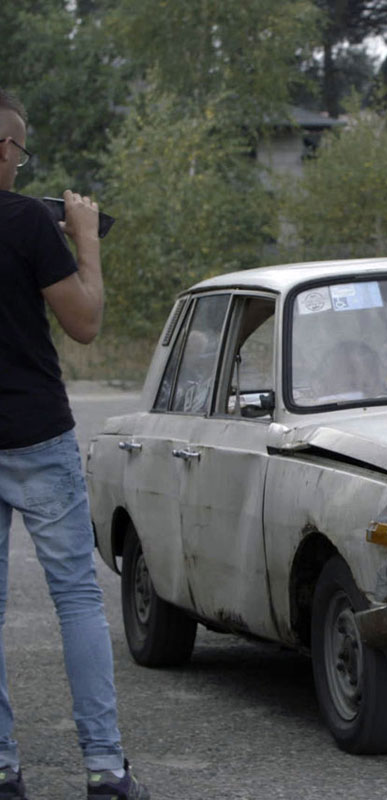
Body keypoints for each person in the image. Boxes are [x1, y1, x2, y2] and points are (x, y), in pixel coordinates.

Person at [0, 89, 148, 798]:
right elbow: (85, 323)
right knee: (78, 602)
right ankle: (104, 769)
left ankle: (3, 771)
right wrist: (84, 236)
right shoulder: (30, 219)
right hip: (35, 434)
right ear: (8, 151)